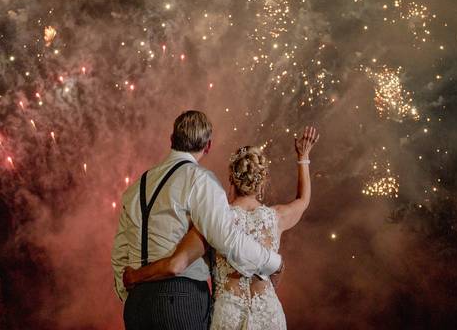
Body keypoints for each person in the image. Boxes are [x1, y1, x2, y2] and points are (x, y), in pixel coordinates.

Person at [124, 125, 320, 330]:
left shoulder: (215, 220)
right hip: (269, 316)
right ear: (262, 183)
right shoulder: (276, 217)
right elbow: (303, 200)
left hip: (229, 318)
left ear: (231, 179)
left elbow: (176, 263)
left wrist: (136, 275)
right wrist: (303, 156)